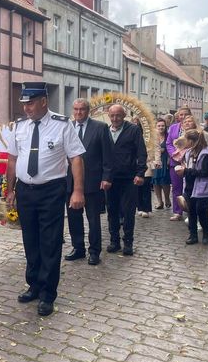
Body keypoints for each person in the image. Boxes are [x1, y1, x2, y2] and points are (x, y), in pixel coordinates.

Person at [6, 82, 85, 316]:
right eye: (24, 104)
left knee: (50, 242)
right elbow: (12, 159)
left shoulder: (63, 125)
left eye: (30, 103)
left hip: (51, 190)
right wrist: (10, 190)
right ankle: (34, 284)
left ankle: (48, 294)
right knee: (30, 239)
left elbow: (76, 158)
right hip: (25, 191)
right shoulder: (19, 126)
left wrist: (78, 191)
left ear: (43, 101)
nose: (26, 108)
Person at [65, 98, 112, 266]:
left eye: (82, 109)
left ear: (88, 111)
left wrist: (106, 177)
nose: (78, 112)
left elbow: (108, 155)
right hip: (70, 181)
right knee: (73, 218)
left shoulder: (100, 127)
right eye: (76, 109)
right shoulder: (67, 127)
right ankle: (78, 248)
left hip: (93, 181)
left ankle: (94, 251)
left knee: (93, 219)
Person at [106, 104, 147, 256]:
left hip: (129, 178)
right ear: (109, 116)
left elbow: (141, 152)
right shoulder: (105, 131)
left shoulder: (133, 130)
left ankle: (128, 242)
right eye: (112, 115)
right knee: (112, 210)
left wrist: (140, 173)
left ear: (124, 115)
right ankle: (114, 241)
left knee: (128, 211)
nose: (115, 118)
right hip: (111, 179)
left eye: (118, 115)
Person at [175, 129, 208, 245]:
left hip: (202, 188)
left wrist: (186, 171)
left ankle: (207, 233)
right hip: (190, 186)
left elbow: (205, 172)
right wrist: (183, 171)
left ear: (191, 141)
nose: (185, 142)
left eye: (186, 139)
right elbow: (187, 166)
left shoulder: (206, 154)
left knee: (201, 211)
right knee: (191, 211)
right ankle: (192, 235)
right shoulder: (188, 152)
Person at [166, 107, 191, 221]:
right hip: (175, 161)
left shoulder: (193, 128)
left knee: (190, 187)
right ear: (178, 116)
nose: (183, 116)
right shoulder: (173, 128)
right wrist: (175, 154)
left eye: (185, 114)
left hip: (190, 162)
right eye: (181, 114)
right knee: (176, 187)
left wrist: (185, 154)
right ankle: (177, 211)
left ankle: (191, 211)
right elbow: (169, 143)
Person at [133, 117, 155, 218]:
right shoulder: (132, 134)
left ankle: (146, 208)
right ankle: (140, 207)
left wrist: (156, 161)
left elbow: (155, 147)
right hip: (134, 164)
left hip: (147, 162)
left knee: (146, 186)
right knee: (137, 187)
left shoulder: (149, 136)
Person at [152, 119, 171, 210]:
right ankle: (160, 201)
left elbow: (172, 147)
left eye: (162, 125)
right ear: (156, 127)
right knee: (155, 181)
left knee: (165, 181)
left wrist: (165, 151)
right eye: (159, 126)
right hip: (155, 161)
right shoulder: (153, 137)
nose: (161, 127)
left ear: (165, 126)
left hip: (165, 160)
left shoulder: (168, 136)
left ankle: (167, 198)